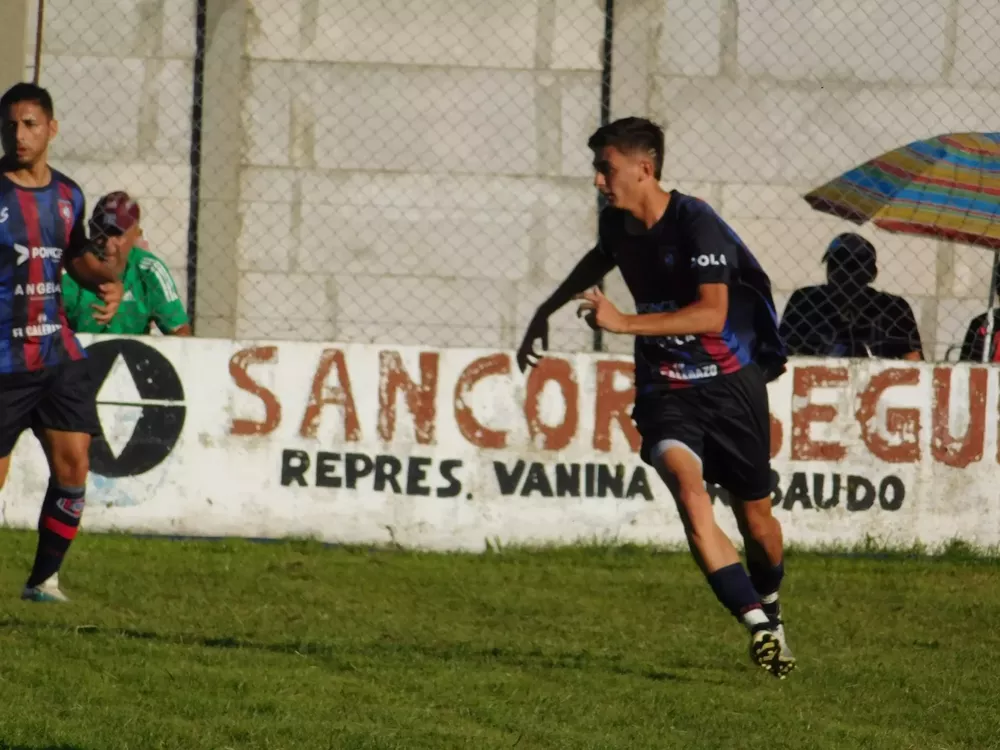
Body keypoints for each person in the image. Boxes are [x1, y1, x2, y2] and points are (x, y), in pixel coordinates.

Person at [517, 117, 794, 678]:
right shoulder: (618, 225)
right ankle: (758, 628)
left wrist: (622, 323)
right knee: (689, 493)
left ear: (644, 169)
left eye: (606, 168)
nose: (599, 181)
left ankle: (771, 605)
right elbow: (598, 259)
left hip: (728, 384)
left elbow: (713, 314)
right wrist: (543, 311)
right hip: (665, 386)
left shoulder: (697, 224)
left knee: (757, 522)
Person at [0, 82, 123, 602]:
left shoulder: (70, 194)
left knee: (74, 465)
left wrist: (106, 279)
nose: (19, 135)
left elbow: (73, 256)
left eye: (30, 124)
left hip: (56, 353)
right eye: (10, 125)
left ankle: (43, 581)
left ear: (52, 127)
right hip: (4, 359)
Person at [62, 191, 191, 336]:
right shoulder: (71, 271)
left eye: (117, 234)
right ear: (90, 229)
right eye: (100, 233)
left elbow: (179, 331)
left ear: (136, 234)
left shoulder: (149, 270)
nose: (108, 245)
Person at [779, 233, 923, 360]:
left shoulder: (893, 308)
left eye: (851, 265)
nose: (842, 273)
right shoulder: (806, 301)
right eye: (835, 264)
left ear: (872, 273)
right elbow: (783, 352)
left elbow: (914, 360)